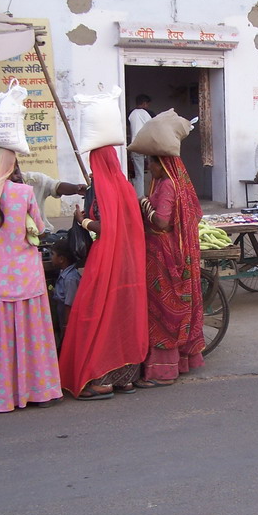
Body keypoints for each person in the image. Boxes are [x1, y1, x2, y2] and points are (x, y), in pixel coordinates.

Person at [0, 147, 63, 412]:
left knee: (3, 341)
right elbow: (40, 230)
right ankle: (40, 391)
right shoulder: (24, 192)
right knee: (33, 337)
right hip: (27, 276)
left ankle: (5, 396)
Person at [58, 144, 149, 400]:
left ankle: (100, 379)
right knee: (123, 311)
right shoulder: (125, 186)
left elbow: (106, 227)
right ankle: (126, 379)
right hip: (128, 260)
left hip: (107, 256)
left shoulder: (103, 189)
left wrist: (82, 220)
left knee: (96, 312)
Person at [135, 155, 205, 388]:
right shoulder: (174, 183)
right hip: (170, 250)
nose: (148, 167)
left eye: (151, 163)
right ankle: (180, 361)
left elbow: (163, 221)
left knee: (161, 311)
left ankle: (163, 371)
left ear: (161, 164)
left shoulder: (166, 185)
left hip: (162, 255)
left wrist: (144, 204)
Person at [21, 170, 87, 232]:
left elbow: (55, 186)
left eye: (16, 168)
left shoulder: (31, 179)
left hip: (42, 234)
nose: (16, 176)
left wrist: (75, 188)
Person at [50, 237, 81, 350]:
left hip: (66, 315)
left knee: (67, 340)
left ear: (61, 259)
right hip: (61, 311)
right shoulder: (63, 273)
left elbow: (69, 303)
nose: (51, 258)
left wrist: (66, 325)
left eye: (53, 254)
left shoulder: (70, 279)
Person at [128, 94, 154, 198]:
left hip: (135, 145)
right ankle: (152, 195)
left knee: (139, 173)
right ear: (144, 103)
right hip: (146, 144)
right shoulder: (146, 113)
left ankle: (140, 197)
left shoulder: (131, 114)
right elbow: (153, 126)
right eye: (147, 104)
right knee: (154, 171)